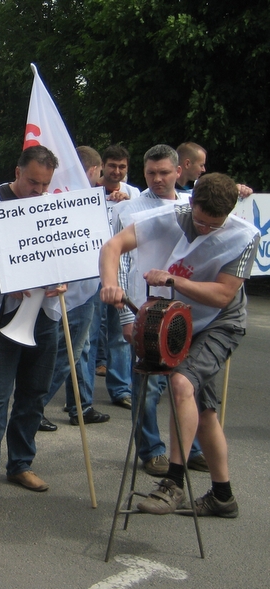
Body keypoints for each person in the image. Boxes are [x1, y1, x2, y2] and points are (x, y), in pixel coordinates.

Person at [100, 172, 259, 517]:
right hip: (177, 319)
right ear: (191, 204)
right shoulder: (169, 218)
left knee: (181, 382)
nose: (205, 229)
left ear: (229, 214)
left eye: (213, 225)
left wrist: (174, 279)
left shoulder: (243, 237)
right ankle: (222, 496)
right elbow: (113, 247)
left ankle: (173, 483)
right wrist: (110, 283)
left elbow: (222, 295)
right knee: (204, 411)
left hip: (220, 322)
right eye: (200, 221)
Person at [0, 145, 66, 502]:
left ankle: (20, 464)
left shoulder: (51, 202)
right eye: (33, 182)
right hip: (4, 313)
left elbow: (65, 250)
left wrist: (65, 277)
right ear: (17, 171)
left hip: (46, 315)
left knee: (34, 395)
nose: (38, 191)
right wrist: (9, 278)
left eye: (44, 185)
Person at [110, 144, 207, 477]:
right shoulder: (130, 210)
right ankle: (151, 449)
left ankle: (191, 447)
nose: (157, 179)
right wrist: (125, 315)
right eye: (151, 173)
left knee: (188, 382)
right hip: (146, 307)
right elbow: (121, 260)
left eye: (164, 172)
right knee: (149, 385)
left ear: (179, 171)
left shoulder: (195, 205)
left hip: (188, 307)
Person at [40, 146, 110, 432]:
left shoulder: (88, 198)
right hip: (76, 289)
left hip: (85, 287)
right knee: (68, 351)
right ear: (93, 170)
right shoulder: (76, 200)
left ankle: (80, 404)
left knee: (81, 350)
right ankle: (34, 405)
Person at [90, 144, 138, 409]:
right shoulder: (88, 193)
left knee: (121, 334)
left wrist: (128, 203)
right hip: (91, 275)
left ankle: (121, 389)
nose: (117, 171)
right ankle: (82, 398)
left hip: (123, 275)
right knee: (88, 337)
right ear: (102, 167)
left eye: (122, 167)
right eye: (112, 166)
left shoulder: (134, 194)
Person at [176, 142, 253, 199]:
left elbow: (222, 191)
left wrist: (238, 189)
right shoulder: (165, 189)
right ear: (187, 164)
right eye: (201, 165)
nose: (204, 170)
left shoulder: (203, 188)